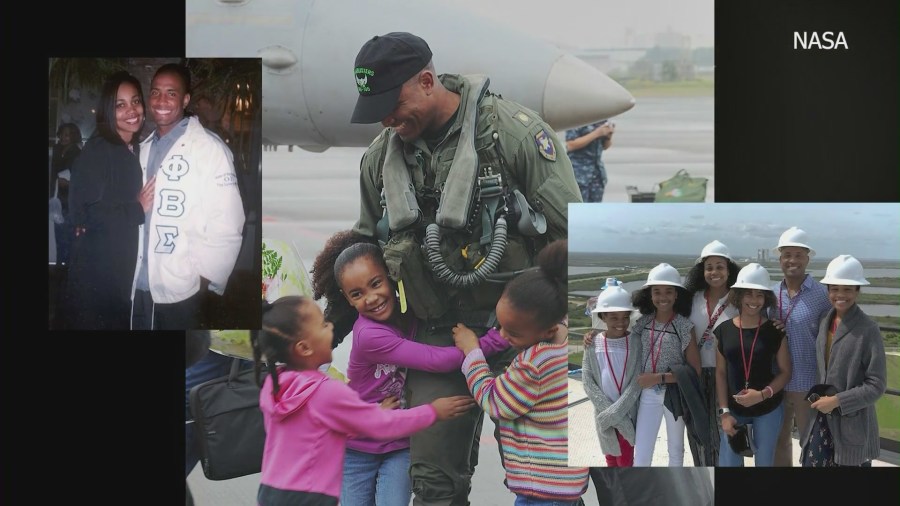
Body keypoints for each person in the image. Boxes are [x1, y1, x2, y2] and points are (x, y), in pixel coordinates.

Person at [349, 32, 581, 505]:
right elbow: (363, 252)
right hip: (441, 335)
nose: (388, 119)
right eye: (378, 110)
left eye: (394, 103)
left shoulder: (513, 134)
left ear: (428, 81)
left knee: (561, 477)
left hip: (529, 335)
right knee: (432, 484)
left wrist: (577, 335)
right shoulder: (380, 160)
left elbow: (573, 236)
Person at [319, 238, 510, 506]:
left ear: (391, 275)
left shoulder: (409, 312)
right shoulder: (369, 335)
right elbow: (437, 360)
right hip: (358, 448)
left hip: (398, 443)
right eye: (357, 294)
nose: (371, 298)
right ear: (347, 299)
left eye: (376, 283)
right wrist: (489, 343)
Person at [251, 296, 475, 506]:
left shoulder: (274, 386)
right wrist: (433, 411)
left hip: (270, 491)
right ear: (304, 348)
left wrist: (371, 411)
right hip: (309, 496)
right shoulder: (326, 392)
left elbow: (312, 431)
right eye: (322, 325)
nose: (330, 327)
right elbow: (381, 425)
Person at [451, 240, 589, 504]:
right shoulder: (569, 339)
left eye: (512, 332)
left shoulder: (535, 365)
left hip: (542, 490)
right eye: (500, 326)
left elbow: (495, 401)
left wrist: (472, 352)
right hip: (565, 484)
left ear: (547, 331)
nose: (502, 336)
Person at [131, 63, 245, 330]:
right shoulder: (142, 149)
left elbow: (227, 223)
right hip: (137, 286)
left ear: (185, 99)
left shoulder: (209, 150)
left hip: (182, 291)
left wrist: (205, 281)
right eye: (156, 92)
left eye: (171, 93)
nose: (161, 101)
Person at [65, 71, 155, 330]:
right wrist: (137, 209)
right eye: (120, 104)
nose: (132, 110)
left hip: (117, 266)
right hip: (98, 270)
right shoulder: (99, 149)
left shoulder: (131, 147)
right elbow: (82, 213)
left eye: (135, 101)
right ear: (108, 110)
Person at [801, 255, 887, 467]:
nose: (840, 295)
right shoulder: (825, 321)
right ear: (828, 290)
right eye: (835, 289)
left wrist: (837, 400)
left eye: (848, 289)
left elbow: (877, 385)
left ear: (858, 291)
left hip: (851, 421)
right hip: (820, 418)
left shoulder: (868, 329)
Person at [715, 263, 791, 467]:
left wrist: (763, 394)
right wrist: (724, 413)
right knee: (729, 462)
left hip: (768, 408)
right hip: (734, 409)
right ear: (738, 296)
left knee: (765, 462)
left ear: (766, 298)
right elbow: (721, 374)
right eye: (748, 294)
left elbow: (785, 372)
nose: (754, 300)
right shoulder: (723, 331)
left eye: (760, 295)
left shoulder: (775, 331)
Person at [767, 226, 831, 466]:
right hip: (777, 383)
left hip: (809, 384)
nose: (792, 260)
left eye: (798, 255)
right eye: (787, 255)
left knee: (810, 443)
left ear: (807, 258)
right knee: (779, 442)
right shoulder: (771, 294)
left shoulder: (822, 295)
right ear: (780, 258)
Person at [630, 263, 701, 466]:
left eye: (669, 291)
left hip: (674, 395)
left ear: (677, 295)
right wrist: (592, 337)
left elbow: (694, 370)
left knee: (676, 452)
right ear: (649, 295)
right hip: (648, 394)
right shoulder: (642, 323)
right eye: (657, 292)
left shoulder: (684, 326)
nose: (663, 297)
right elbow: (615, 334)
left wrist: (658, 378)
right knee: (642, 452)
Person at [683, 239, 740, 465]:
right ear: (701, 271)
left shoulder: (740, 299)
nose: (714, 272)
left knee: (727, 433)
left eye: (720, 266)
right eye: (709, 267)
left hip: (728, 377)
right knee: (698, 432)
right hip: (696, 374)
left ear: (729, 270)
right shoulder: (691, 299)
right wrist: (599, 331)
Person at [582, 283, 641, 467]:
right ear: (602, 317)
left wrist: (618, 413)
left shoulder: (636, 342)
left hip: (627, 415)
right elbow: (587, 380)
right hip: (603, 414)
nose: (621, 322)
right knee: (609, 458)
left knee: (625, 461)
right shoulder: (592, 343)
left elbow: (636, 382)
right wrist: (607, 411)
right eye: (613, 317)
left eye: (625, 317)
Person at [50, 122, 83, 266]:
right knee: (58, 238)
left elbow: (84, 181)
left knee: (68, 240)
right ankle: (59, 269)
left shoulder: (77, 153)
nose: (64, 137)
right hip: (57, 200)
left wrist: (69, 184)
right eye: (62, 134)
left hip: (70, 202)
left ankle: (66, 274)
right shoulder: (57, 150)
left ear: (74, 137)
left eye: (68, 135)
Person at [565, 120, 614, 202]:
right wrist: (597, 133)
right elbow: (571, 145)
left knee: (595, 212)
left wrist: (608, 136)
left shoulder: (601, 119)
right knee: (579, 210)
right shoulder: (577, 119)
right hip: (580, 175)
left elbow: (605, 146)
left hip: (597, 175)